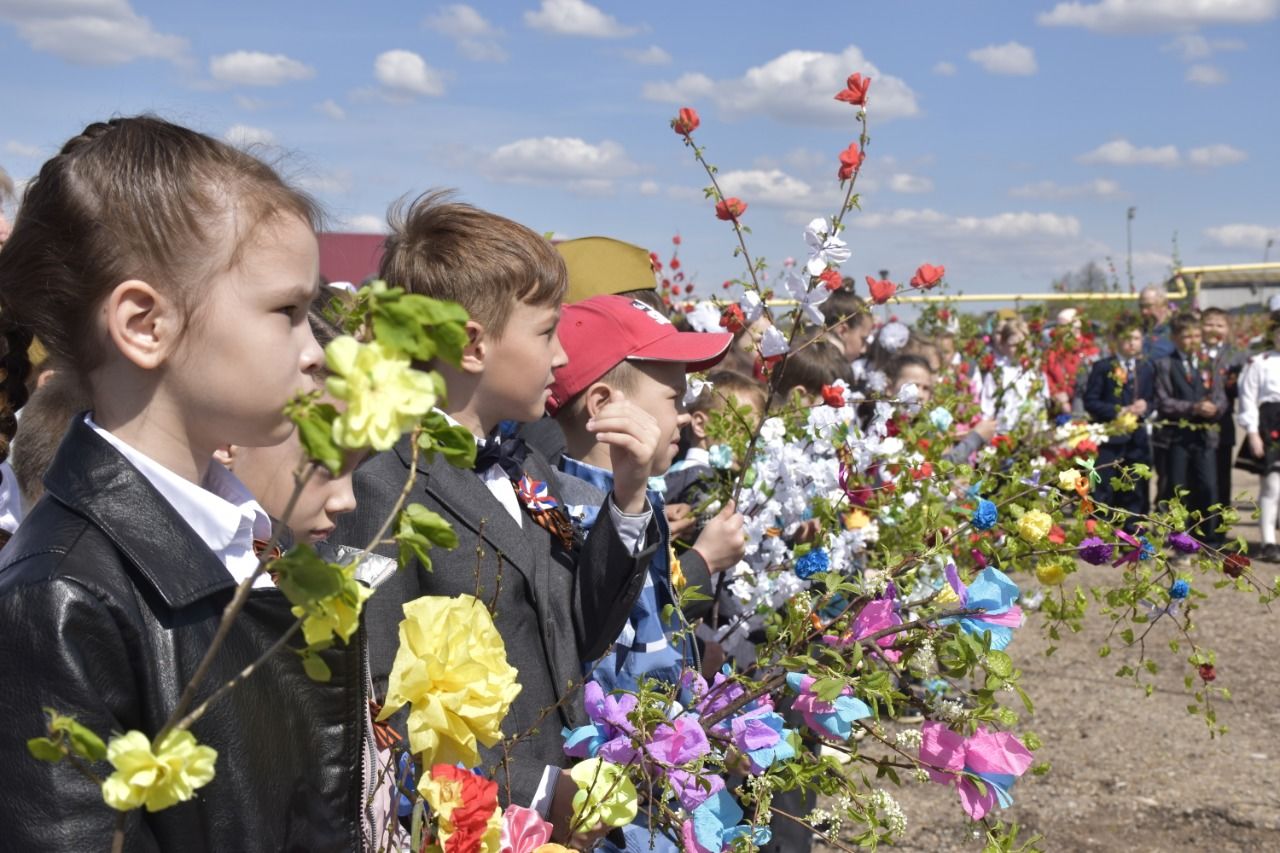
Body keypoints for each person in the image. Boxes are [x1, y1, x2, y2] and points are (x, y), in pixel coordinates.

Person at [0, 116, 366, 851]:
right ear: (144, 324)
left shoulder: (250, 537)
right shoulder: (62, 598)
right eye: (287, 312)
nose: (316, 352)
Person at [332, 192, 661, 842]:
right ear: (473, 345)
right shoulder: (383, 487)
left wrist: (628, 494)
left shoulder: (519, 464)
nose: (563, 356)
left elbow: (572, 629)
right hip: (482, 825)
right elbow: (381, 712)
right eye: (546, 331)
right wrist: (541, 791)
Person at [1154, 312, 1227, 543]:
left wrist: (1215, 409)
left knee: (1207, 485)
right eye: (1186, 336)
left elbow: (1221, 396)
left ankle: (1209, 537)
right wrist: (1192, 407)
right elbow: (1163, 400)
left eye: (1197, 335)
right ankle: (1179, 537)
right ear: (1175, 338)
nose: (1193, 340)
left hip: (1204, 436)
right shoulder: (1165, 364)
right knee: (1177, 487)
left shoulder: (1208, 363)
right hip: (1177, 436)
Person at [1083, 314, 1155, 519]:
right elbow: (1091, 400)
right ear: (1115, 340)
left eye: (1136, 338)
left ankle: (1131, 535)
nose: (1131, 343)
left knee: (1135, 488)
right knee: (1104, 488)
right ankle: (1101, 535)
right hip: (1109, 438)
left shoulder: (1146, 367)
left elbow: (1154, 397)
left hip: (1137, 438)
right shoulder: (1103, 367)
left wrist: (1146, 405)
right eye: (1126, 338)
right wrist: (1117, 411)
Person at [1234, 312, 1280, 561]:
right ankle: (1268, 542)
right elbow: (1248, 400)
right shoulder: (1259, 362)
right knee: (1272, 485)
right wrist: (1253, 434)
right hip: (1271, 424)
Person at [1201, 307, 1246, 507]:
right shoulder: (1192, 352)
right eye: (1209, 324)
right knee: (1196, 478)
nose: (1214, 329)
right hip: (1194, 424)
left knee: (1221, 477)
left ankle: (1218, 528)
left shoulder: (1237, 356)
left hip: (1222, 425)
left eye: (1220, 325)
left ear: (1228, 329)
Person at [1139, 284, 1175, 360]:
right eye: (1141, 306)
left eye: (1149, 306)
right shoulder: (1138, 331)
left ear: (1164, 306)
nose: (1144, 311)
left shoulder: (1174, 330)